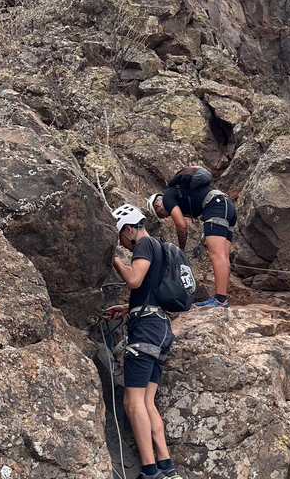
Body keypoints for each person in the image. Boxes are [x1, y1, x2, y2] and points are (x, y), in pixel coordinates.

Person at [105, 204, 183, 479]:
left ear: (128, 229)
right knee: (147, 402)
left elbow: (135, 279)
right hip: (160, 326)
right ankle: (166, 467)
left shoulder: (144, 243)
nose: (124, 247)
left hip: (146, 330)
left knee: (132, 401)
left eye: (122, 241)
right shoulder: (160, 246)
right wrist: (127, 308)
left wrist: (112, 257)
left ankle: (149, 472)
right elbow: (149, 289)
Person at [147, 180, 237, 309]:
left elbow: (182, 226)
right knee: (223, 256)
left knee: (216, 255)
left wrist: (181, 249)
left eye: (161, 215)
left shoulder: (167, 198)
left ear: (157, 205)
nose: (165, 217)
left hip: (215, 206)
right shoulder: (180, 195)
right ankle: (222, 298)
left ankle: (220, 300)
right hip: (227, 206)